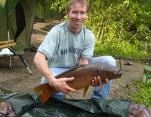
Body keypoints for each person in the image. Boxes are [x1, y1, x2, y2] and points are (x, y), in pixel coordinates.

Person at [34, 0, 116, 100]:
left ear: (86, 14)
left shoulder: (89, 36)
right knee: (46, 81)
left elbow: (83, 64)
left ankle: (97, 102)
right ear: (67, 13)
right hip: (58, 69)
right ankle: (57, 100)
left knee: (109, 61)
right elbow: (38, 58)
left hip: (77, 68)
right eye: (74, 12)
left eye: (82, 12)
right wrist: (52, 80)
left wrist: (89, 80)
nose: (78, 17)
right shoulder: (57, 32)